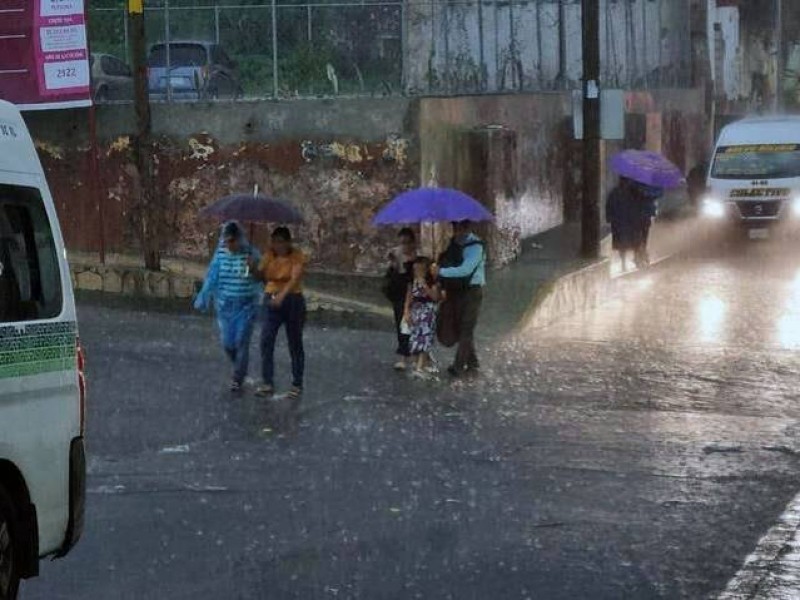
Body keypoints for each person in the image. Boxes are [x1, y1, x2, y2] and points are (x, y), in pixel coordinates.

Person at [194, 221, 262, 393]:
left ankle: (237, 378)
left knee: (241, 341)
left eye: (232, 241)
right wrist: (204, 295)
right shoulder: (221, 255)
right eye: (226, 241)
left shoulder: (251, 254)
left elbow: (263, 277)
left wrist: (253, 268)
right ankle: (240, 366)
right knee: (227, 344)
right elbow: (212, 277)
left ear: (239, 239)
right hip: (225, 306)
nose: (229, 245)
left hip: (246, 306)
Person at [254, 227, 308, 400]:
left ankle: (297, 383)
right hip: (271, 298)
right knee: (266, 339)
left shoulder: (297, 256)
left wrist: (281, 296)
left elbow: (294, 279)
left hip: (293, 299)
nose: (277, 246)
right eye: (274, 241)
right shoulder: (269, 255)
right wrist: (252, 268)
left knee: (295, 342)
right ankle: (267, 382)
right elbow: (261, 276)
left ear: (287, 242)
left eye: (280, 242)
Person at [433, 220, 486, 378]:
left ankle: (458, 366)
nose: (457, 231)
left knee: (466, 328)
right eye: (455, 228)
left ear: (468, 228)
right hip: (455, 291)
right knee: (459, 327)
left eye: (460, 228)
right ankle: (473, 362)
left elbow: (466, 270)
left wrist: (441, 272)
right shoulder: (453, 243)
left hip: (472, 291)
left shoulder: (476, 246)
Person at [383, 227, 417, 370]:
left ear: (413, 243)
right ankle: (403, 355)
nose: (404, 246)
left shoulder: (418, 256)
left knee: (417, 325)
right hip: (399, 292)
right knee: (401, 323)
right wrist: (393, 263)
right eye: (402, 243)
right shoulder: (396, 254)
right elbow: (391, 275)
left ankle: (418, 355)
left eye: (407, 243)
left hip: (416, 293)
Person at [403, 256, 440, 378]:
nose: (417, 273)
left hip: (428, 313)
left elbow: (435, 298)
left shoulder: (432, 282)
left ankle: (420, 367)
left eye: (421, 270)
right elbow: (409, 298)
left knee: (425, 338)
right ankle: (423, 362)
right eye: (416, 270)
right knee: (414, 338)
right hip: (416, 312)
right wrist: (406, 312)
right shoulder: (412, 282)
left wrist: (425, 285)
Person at [606, 177, 641, 272]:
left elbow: (609, 206)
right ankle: (629, 262)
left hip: (622, 222)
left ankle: (626, 263)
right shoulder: (631, 193)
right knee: (630, 243)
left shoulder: (616, 192)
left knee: (625, 244)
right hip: (625, 222)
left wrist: (609, 217)